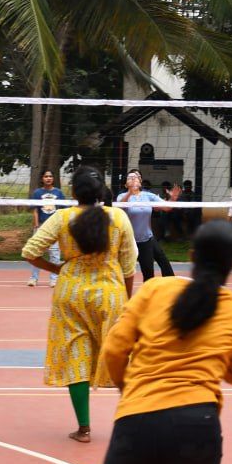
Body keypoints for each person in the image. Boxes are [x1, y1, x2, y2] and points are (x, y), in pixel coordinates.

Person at [90, 220, 232, 464]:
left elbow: (113, 350)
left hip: (135, 424)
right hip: (198, 429)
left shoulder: (156, 289)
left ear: (192, 256)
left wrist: (130, 389)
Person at [22, 166, 137, 444]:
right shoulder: (118, 217)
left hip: (71, 295)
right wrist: (128, 301)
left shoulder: (62, 218)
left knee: (77, 359)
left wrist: (57, 268)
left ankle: (83, 429)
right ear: (102, 192)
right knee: (121, 358)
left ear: (73, 192)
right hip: (109, 294)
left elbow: (29, 251)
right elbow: (128, 266)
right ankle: (134, 424)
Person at [118, 169, 174, 281]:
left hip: (145, 241)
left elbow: (167, 207)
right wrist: (130, 191)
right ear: (126, 184)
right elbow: (120, 207)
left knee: (149, 275)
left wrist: (173, 198)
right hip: (128, 242)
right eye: (130, 177)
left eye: (136, 177)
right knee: (124, 274)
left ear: (140, 182)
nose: (133, 178)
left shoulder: (148, 195)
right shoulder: (122, 196)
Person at [28, 169, 66, 287]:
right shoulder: (37, 193)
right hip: (41, 226)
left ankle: (54, 278)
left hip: (55, 227)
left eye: (50, 176)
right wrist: (36, 225)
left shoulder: (58, 193)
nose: (48, 178)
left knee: (54, 254)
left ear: (53, 178)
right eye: (46, 176)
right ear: (42, 179)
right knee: (36, 252)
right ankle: (34, 278)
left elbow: (63, 209)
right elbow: (35, 210)